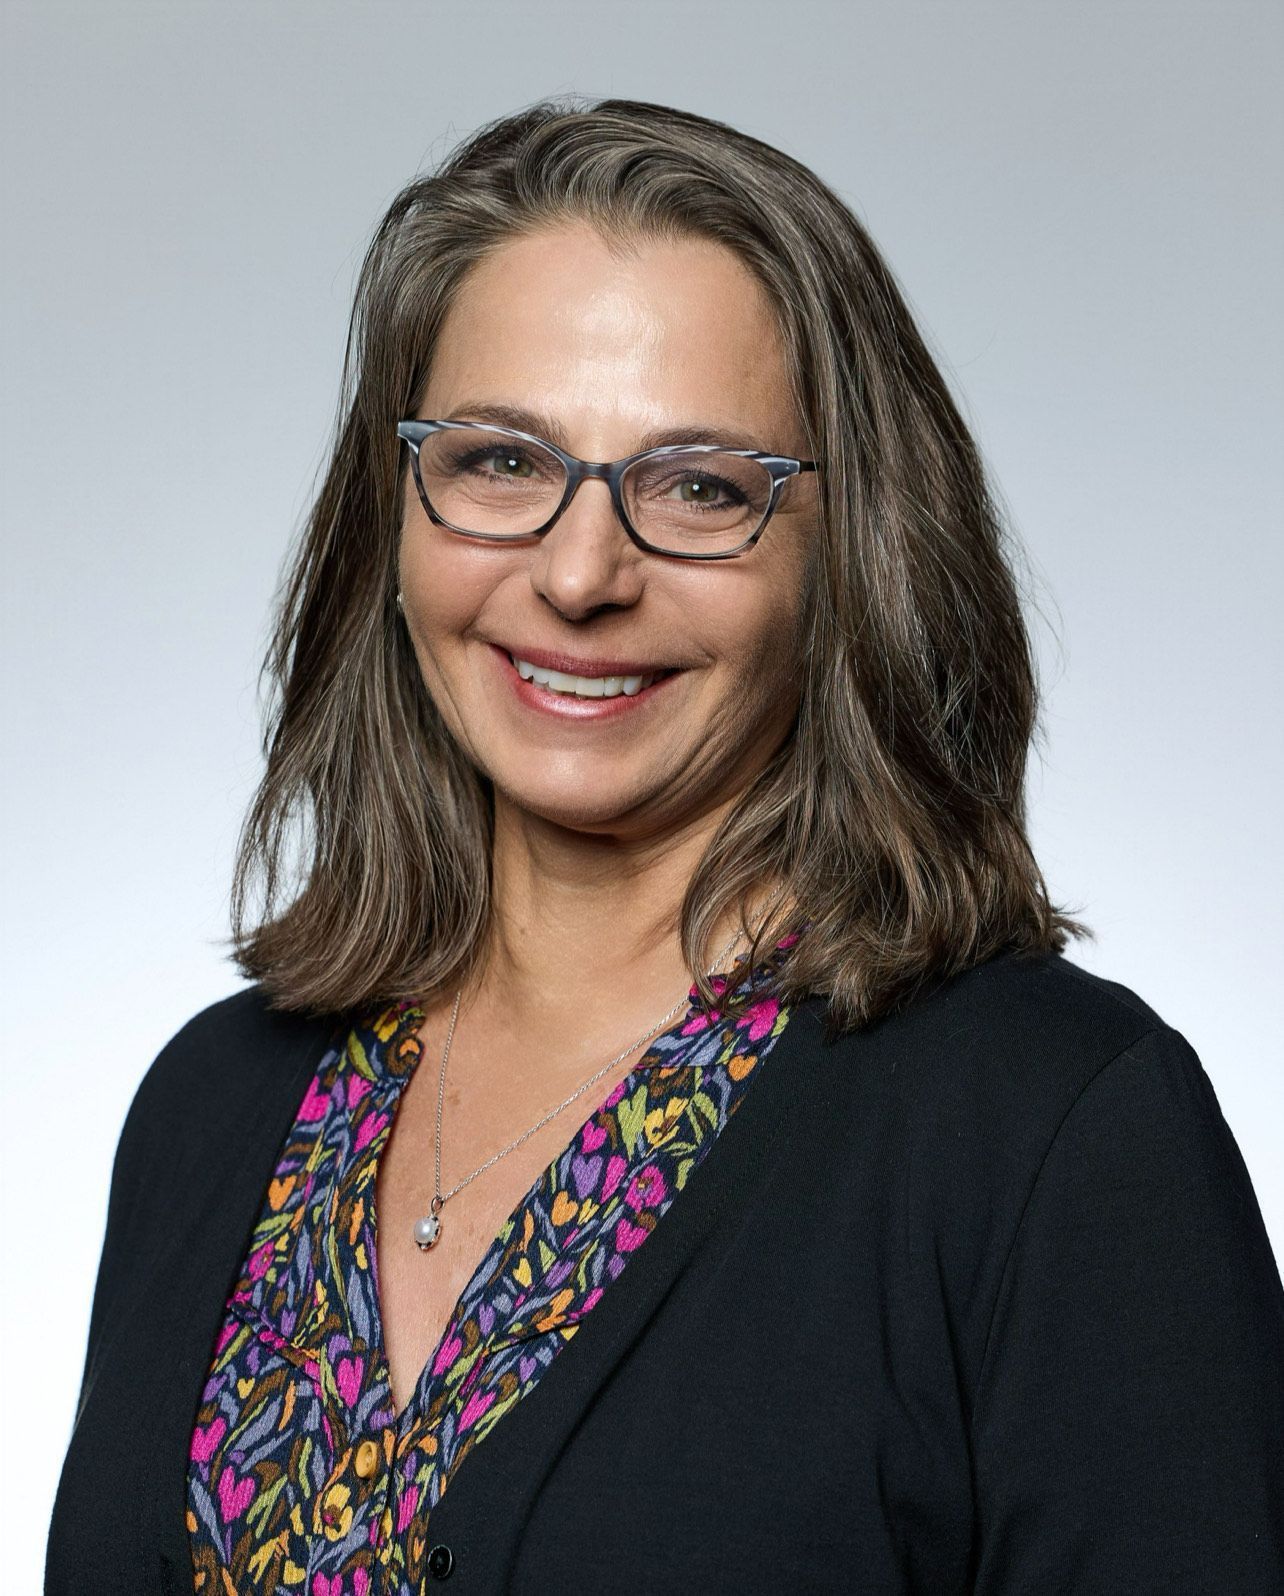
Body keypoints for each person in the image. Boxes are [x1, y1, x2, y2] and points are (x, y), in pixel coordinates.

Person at [46, 96, 1283, 1595]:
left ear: (854, 554)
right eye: (502, 461)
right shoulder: (215, 1104)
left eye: (700, 488)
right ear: (396, 509)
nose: (578, 573)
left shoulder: (1055, 1133)